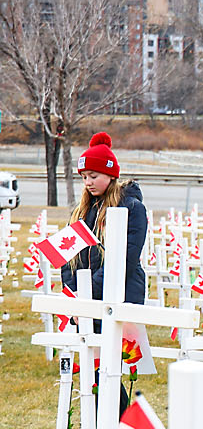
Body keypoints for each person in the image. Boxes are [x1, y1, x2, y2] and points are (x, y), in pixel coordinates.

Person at [62, 132, 149, 413]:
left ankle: (119, 425)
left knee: (109, 369)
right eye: (84, 177)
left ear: (110, 175)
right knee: (96, 368)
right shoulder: (81, 212)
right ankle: (106, 427)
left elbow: (123, 259)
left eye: (94, 176)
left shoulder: (131, 208)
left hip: (119, 295)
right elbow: (68, 256)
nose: (88, 182)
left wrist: (87, 294)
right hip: (86, 298)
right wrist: (74, 294)